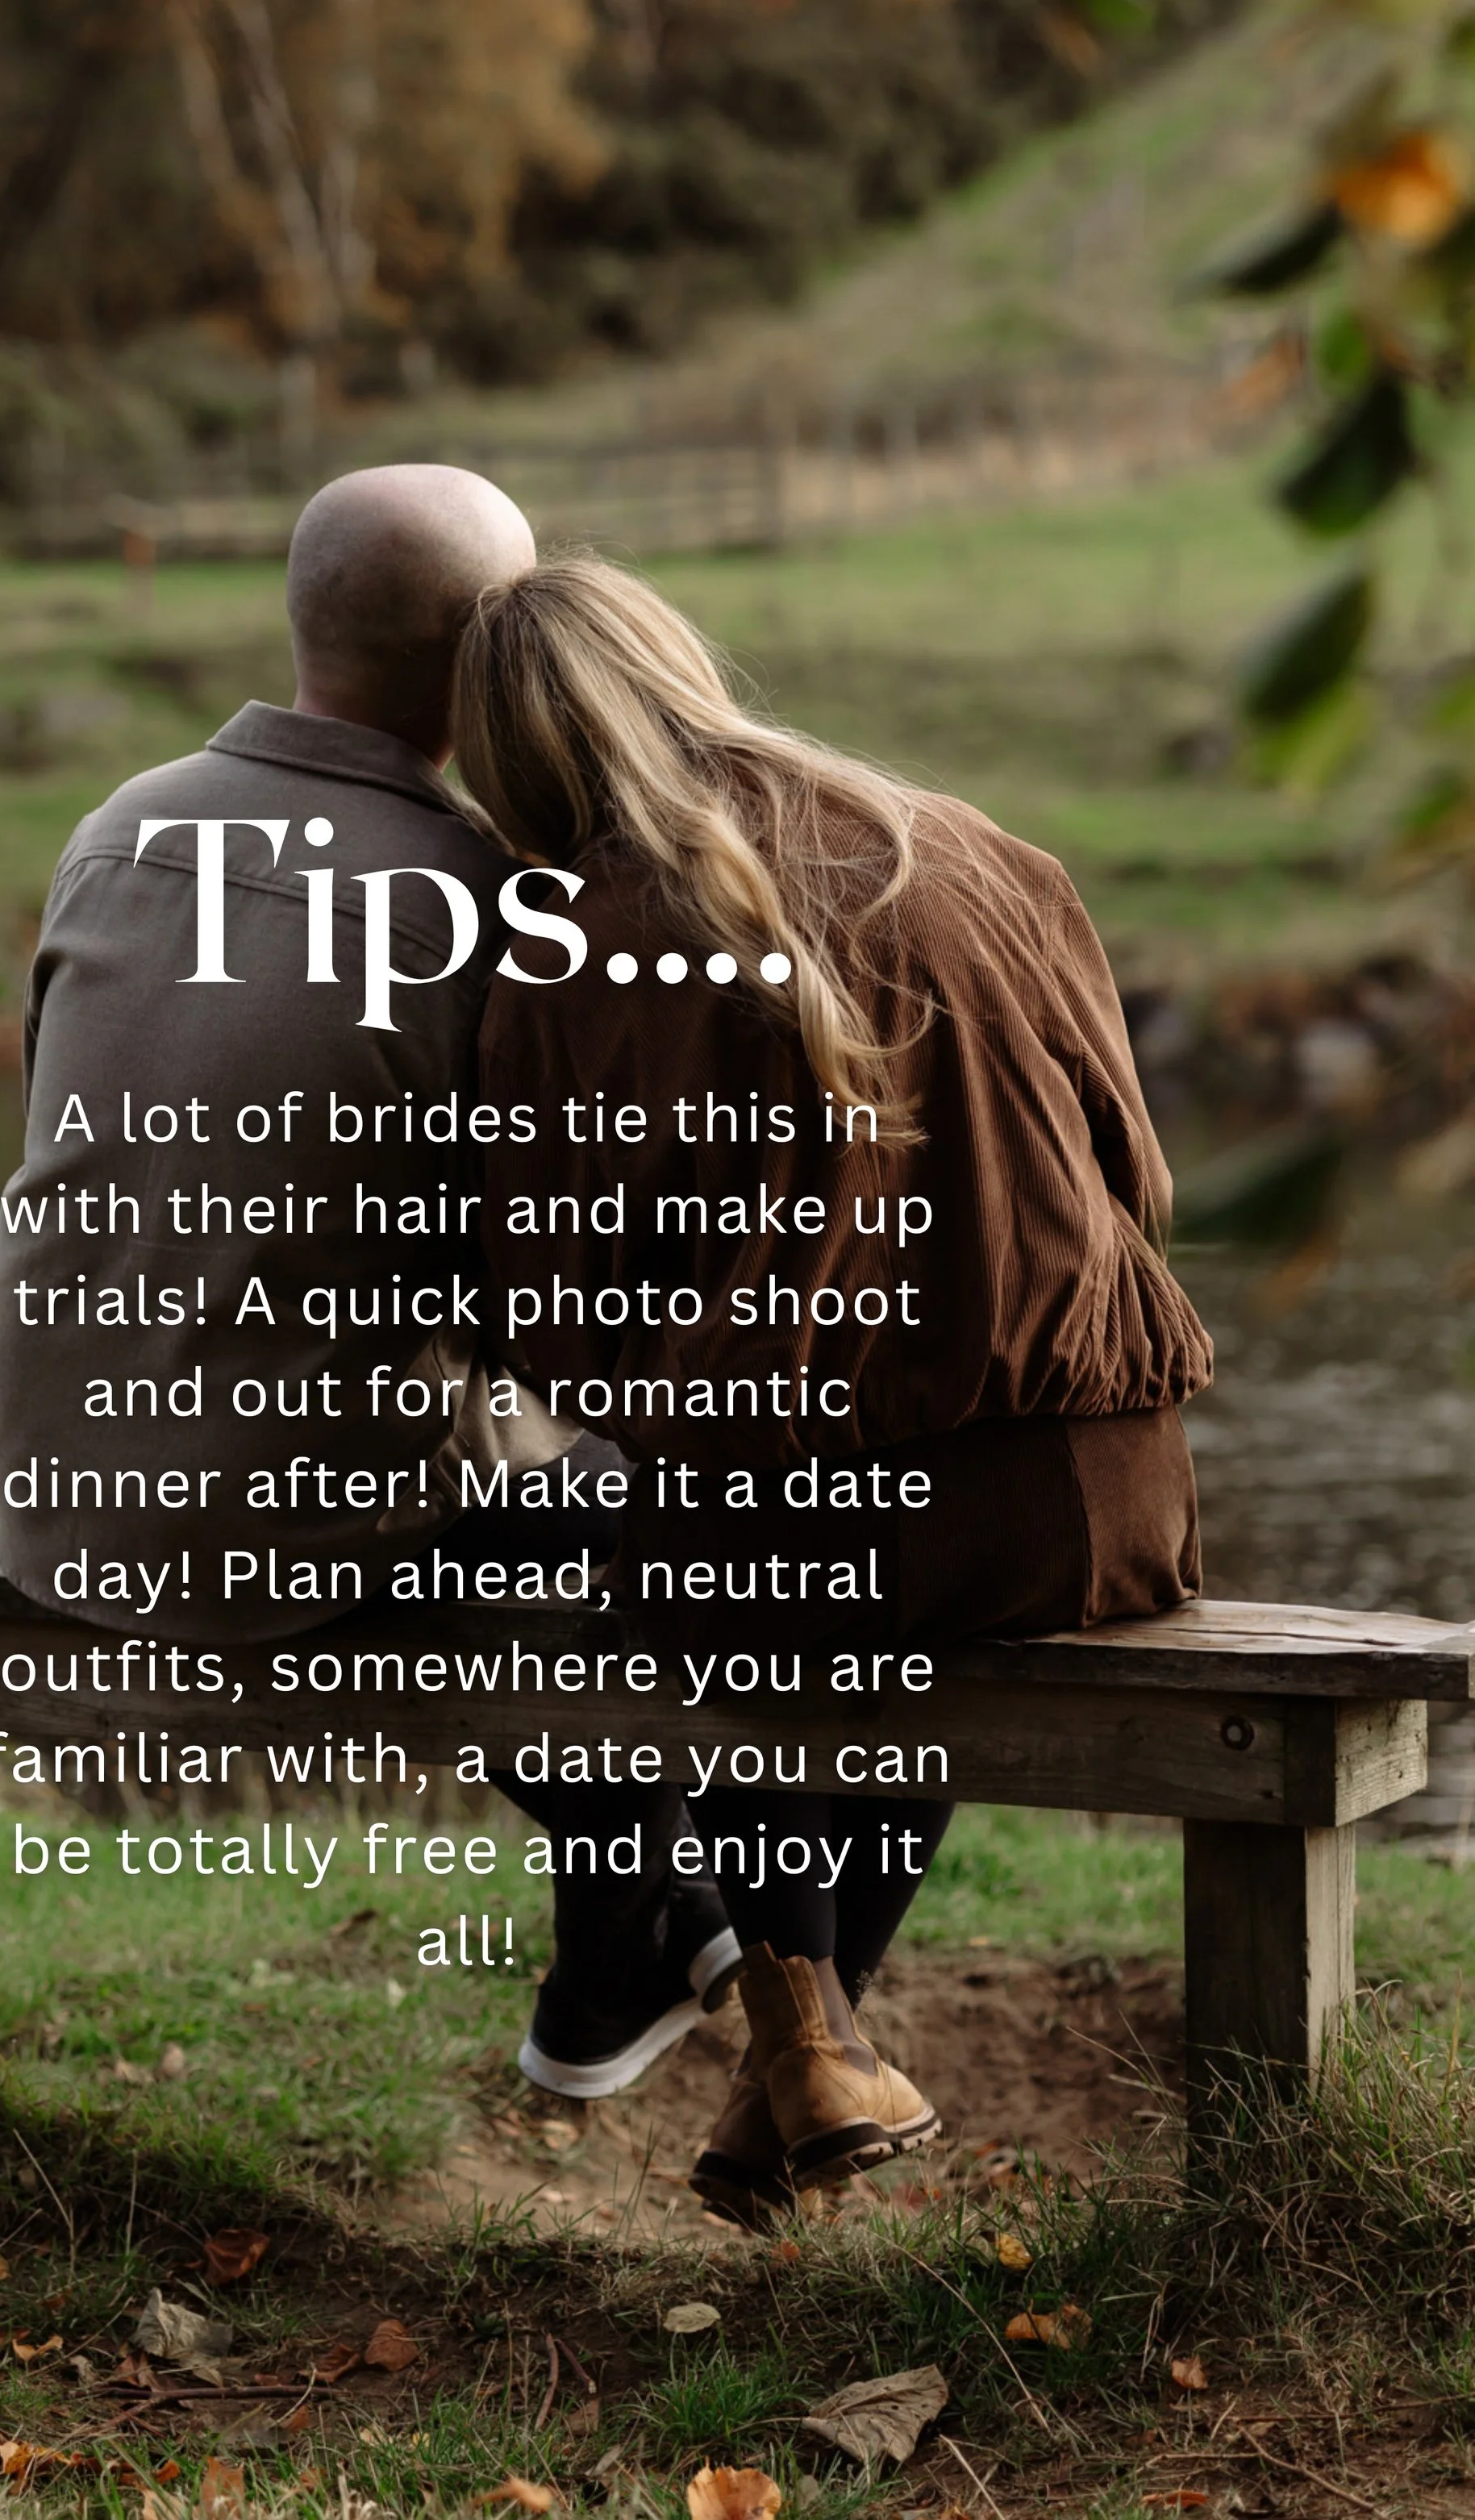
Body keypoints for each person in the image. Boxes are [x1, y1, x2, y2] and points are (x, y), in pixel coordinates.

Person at [452, 552, 1215, 2225]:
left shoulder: (568, 947)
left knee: (582, 1538)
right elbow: (1137, 1179)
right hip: (1098, 1498)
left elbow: (552, 1340)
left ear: (503, 765)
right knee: (818, 1571)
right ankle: (798, 2057)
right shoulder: (970, 842)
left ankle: (738, 1993)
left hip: (816, 1540)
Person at [0, 469, 740, 2105]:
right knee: (688, 1505)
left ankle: (659, 1929)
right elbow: (542, 1294)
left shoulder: (114, 827)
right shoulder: (484, 902)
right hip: (268, 1542)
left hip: (53, 1491)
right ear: (497, 660)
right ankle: (696, 1924)